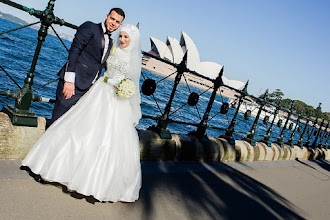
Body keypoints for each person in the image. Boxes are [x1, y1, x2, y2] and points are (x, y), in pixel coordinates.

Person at [22, 24, 142, 203]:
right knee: (80, 128)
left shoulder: (134, 59)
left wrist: (126, 90)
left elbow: (133, 81)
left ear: (133, 40)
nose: (123, 40)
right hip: (101, 90)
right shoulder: (113, 49)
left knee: (108, 138)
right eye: (121, 36)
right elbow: (100, 64)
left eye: (126, 37)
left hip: (117, 100)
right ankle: (59, 168)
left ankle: (97, 184)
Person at [46, 8, 125, 128]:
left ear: (120, 25)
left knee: (70, 126)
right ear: (106, 16)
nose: (113, 23)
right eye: (112, 18)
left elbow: (101, 63)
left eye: (117, 22)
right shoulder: (90, 27)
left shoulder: (110, 41)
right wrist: (69, 81)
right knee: (56, 123)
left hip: (88, 89)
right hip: (73, 85)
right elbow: (74, 52)